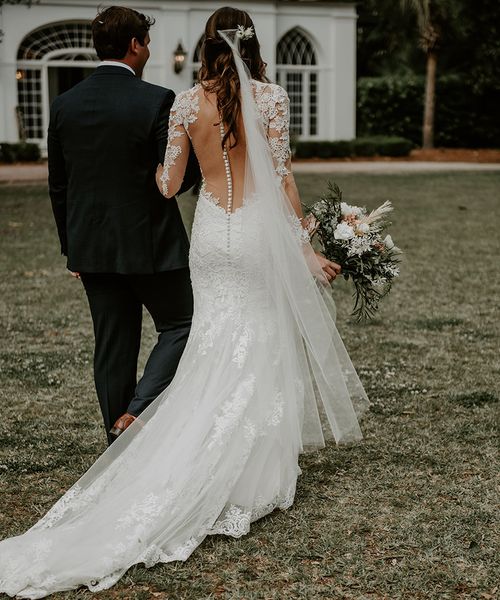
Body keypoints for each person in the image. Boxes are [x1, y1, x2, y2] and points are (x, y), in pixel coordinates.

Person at [0, 7, 369, 597]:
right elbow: (283, 180)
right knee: (259, 338)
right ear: (252, 44)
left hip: (211, 237)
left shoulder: (183, 103)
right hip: (254, 232)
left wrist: (159, 166)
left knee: (212, 339)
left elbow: (169, 185)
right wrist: (305, 248)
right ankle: (252, 476)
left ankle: (165, 442)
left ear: (204, 46)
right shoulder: (272, 100)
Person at [47, 6, 200, 445]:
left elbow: (59, 185)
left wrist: (71, 247)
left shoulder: (64, 105)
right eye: (146, 42)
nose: (148, 50)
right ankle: (135, 413)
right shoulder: (156, 99)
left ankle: (117, 444)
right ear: (135, 45)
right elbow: (175, 176)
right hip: (152, 246)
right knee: (184, 323)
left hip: (91, 249)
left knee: (113, 347)